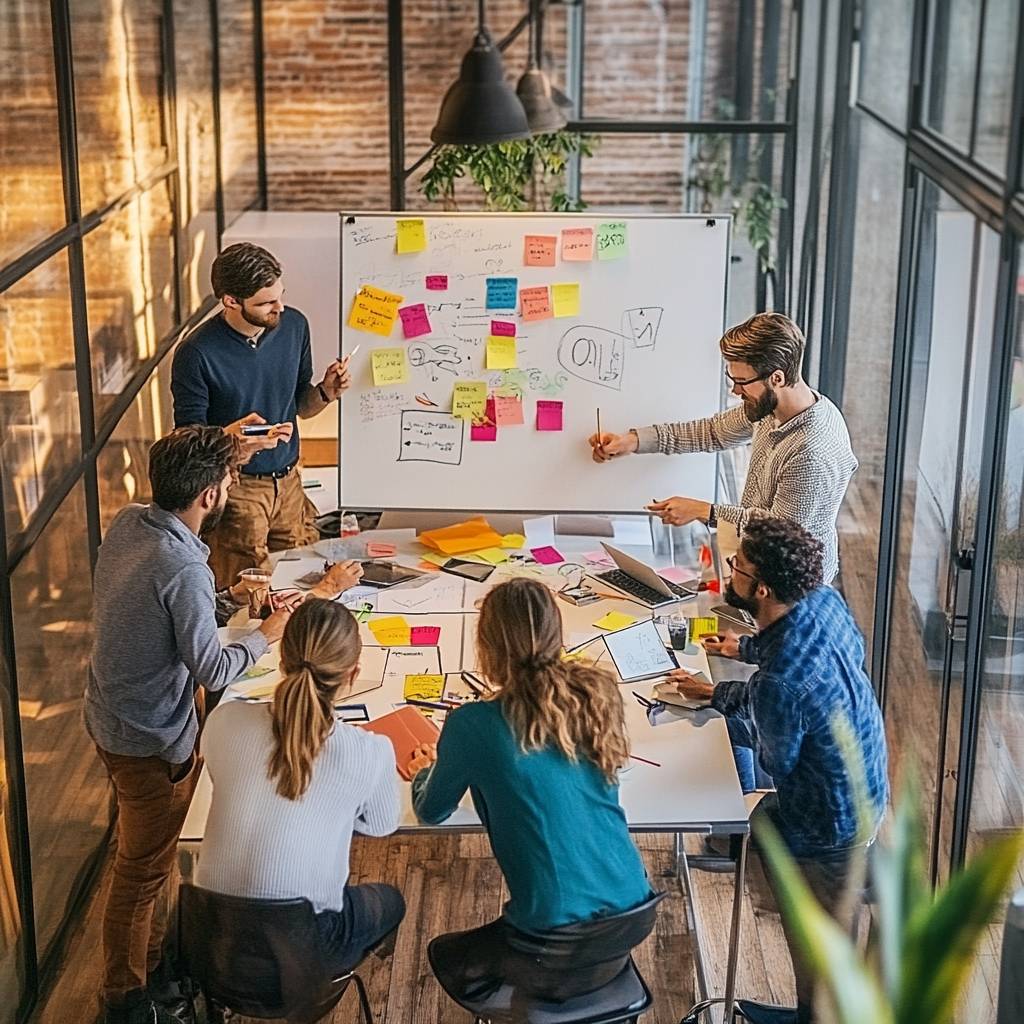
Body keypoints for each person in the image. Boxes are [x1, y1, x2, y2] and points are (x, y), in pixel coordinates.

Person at [85, 426, 295, 1024]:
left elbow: (162, 610)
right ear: (208, 496)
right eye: (227, 479)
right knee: (141, 870)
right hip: (150, 739)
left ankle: (152, 966)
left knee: (147, 859)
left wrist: (225, 598)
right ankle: (126, 1002)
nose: (231, 485)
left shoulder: (132, 523)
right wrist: (265, 635)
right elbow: (211, 665)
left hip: (109, 715)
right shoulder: (182, 566)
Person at [669, 518, 888, 1024]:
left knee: (818, 948)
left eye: (737, 567)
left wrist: (726, 708)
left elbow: (776, 761)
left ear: (761, 588)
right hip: (869, 781)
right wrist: (738, 657)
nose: (732, 572)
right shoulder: (823, 601)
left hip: (829, 822)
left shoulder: (780, 682)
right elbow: (804, 664)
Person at [409, 578, 653, 1002]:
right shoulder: (596, 694)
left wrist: (424, 770)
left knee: (444, 956)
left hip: (550, 937)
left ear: (486, 646)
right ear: (557, 635)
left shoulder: (473, 723)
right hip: (635, 909)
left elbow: (432, 811)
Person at [196, 599, 405, 980]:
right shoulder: (368, 751)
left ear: (280, 661)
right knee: (392, 901)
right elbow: (381, 825)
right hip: (303, 954)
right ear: (353, 674)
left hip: (215, 944)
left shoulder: (224, 720)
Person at [588, 312, 857, 583]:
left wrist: (703, 511)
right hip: (760, 567)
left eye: (742, 382)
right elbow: (711, 432)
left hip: (792, 585)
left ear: (776, 378)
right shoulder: (769, 408)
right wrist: (632, 441)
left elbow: (778, 529)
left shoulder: (811, 450)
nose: (735, 392)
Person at [171, 242, 352, 589]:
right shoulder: (196, 353)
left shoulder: (294, 325)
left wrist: (327, 392)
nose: (279, 308)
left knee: (306, 584)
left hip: (290, 485)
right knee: (244, 596)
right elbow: (187, 444)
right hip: (236, 490)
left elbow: (302, 404)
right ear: (230, 301)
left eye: (280, 295)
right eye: (266, 302)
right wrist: (232, 439)